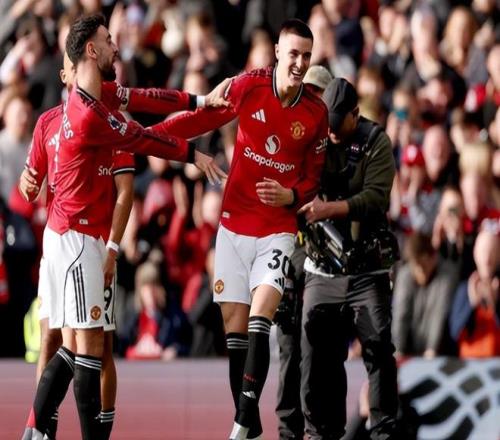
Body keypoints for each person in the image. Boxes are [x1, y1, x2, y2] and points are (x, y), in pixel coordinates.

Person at [22, 13, 227, 440]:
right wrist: (193, 154)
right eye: (109, 41)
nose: (116, 48)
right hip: (79, 239)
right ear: (90, 50)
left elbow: (147, 97)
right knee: (85, 351)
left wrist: (197, 101)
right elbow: (143, 138)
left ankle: (34, 432)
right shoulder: (88, 116)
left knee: (77, 349)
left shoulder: (98, 99)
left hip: (69, 237)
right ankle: (48, 432)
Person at [161, 19, 329, 440]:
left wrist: (291, 196)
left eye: (306, 56)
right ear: (277, 52)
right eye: (293, 54)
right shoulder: (249, 86)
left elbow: (313, 178)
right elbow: (200, 120)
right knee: (234, 331)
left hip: (277, 230)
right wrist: (146, 138)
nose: (299, 63)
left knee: (261, 317)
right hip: (233, 226)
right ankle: (250, 426)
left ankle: (239, 426)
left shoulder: (315, 113)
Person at [298, 77, 399, 439]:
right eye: (327, 126)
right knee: (315, 354)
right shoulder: (315, 137)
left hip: (367, 268)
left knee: (378, 350)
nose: (331, 134)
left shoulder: (376, 142)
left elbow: (376, 198)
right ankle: (319, 434)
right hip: (322, 268)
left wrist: (330, 209)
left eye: (338, 127)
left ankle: (383, 432)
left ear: (355, 115)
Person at [274, 64, 332, 440]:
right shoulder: (287, 138)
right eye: (306, 92)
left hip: (323, 257)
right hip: (291, 247)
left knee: (316, 350)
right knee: (288, 346)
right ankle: (288, 430)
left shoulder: (335, 147)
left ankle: (313, 429)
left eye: (317, 93)